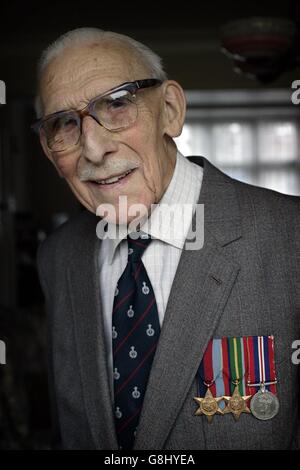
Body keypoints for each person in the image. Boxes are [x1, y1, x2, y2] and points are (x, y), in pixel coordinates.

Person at [34, 27, 300, 450]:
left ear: (171, 110)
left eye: (118, 104)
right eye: (63, 125)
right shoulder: (57, 257)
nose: (94, 148)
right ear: (50, 150)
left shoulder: (291, 236)